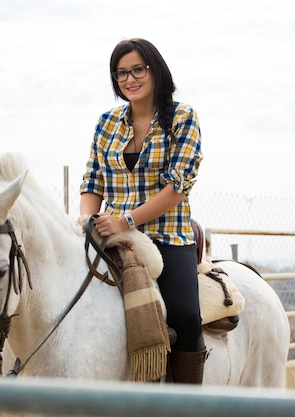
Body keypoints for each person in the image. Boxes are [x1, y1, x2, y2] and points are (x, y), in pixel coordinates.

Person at [78, 38, 206, 384]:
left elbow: (177, 187)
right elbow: (92, 181)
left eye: (138, 70)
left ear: (155, 71)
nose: (129, 79)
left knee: (185, 315)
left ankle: (187, 402)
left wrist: (126, 220)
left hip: (165, 235)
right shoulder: (107, 122)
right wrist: (88, 217)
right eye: (121, 74)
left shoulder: (182, 117)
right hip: (110, 234)